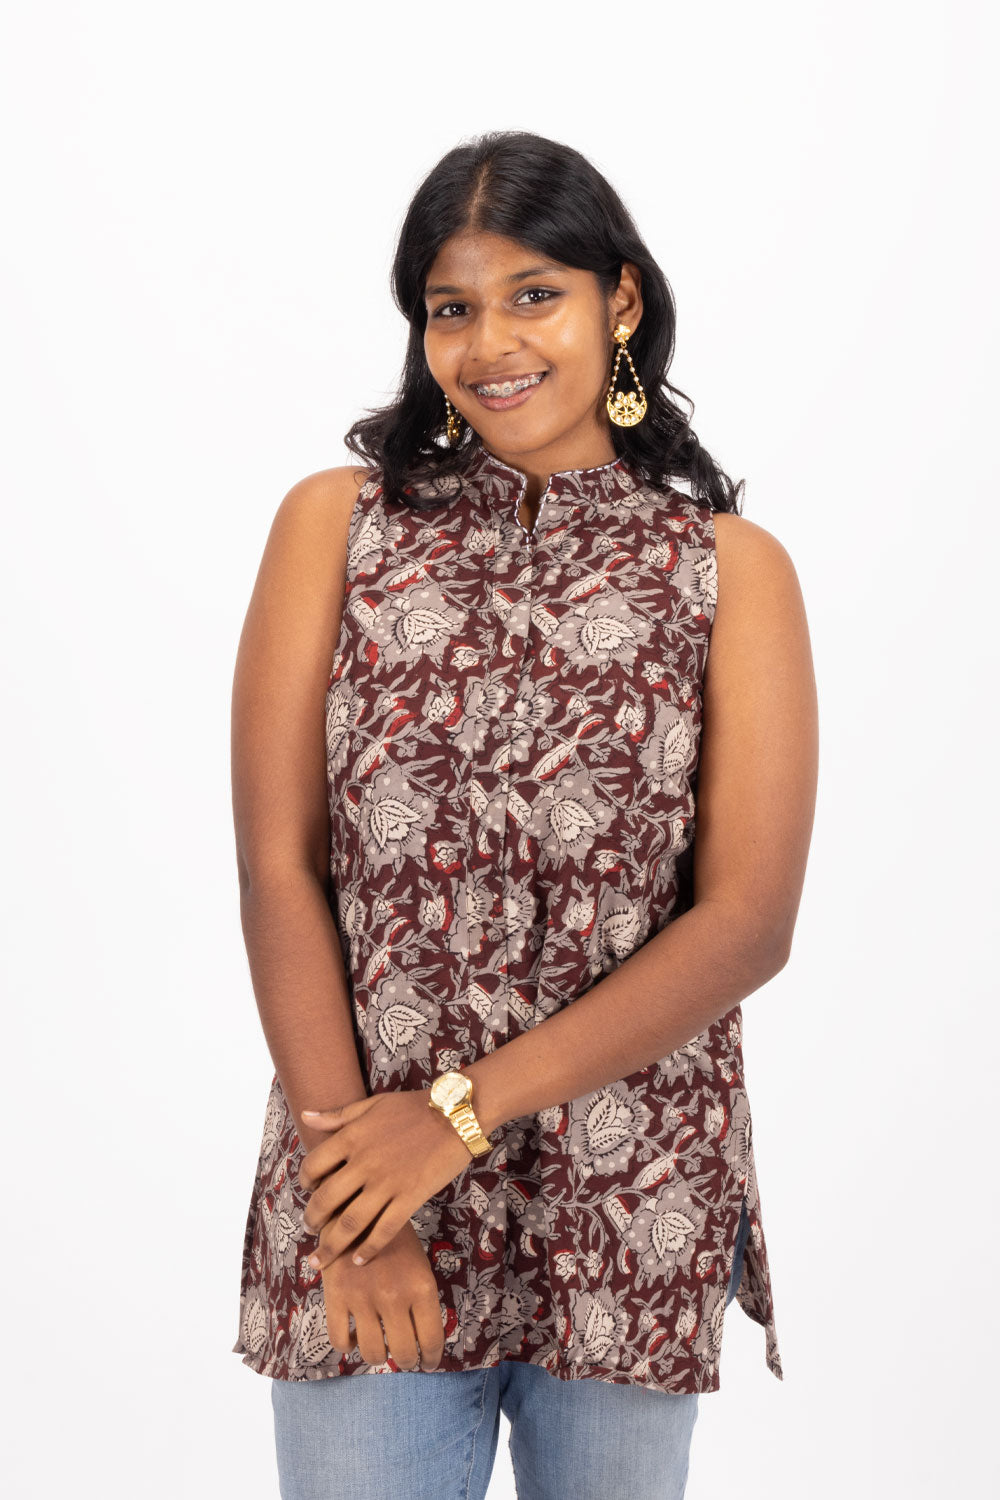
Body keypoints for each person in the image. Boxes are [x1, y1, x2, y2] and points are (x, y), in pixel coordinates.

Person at [229, 129, 818, 1500]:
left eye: (534, 294)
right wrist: (355, 1198)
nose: (490, 343)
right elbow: (278, 866)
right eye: (452, 308)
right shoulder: (336, 526)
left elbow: (746, 922)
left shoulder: (729, 572)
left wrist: (457, 1118)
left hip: (631, 1198)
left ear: (621, 301)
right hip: (366, 1184)